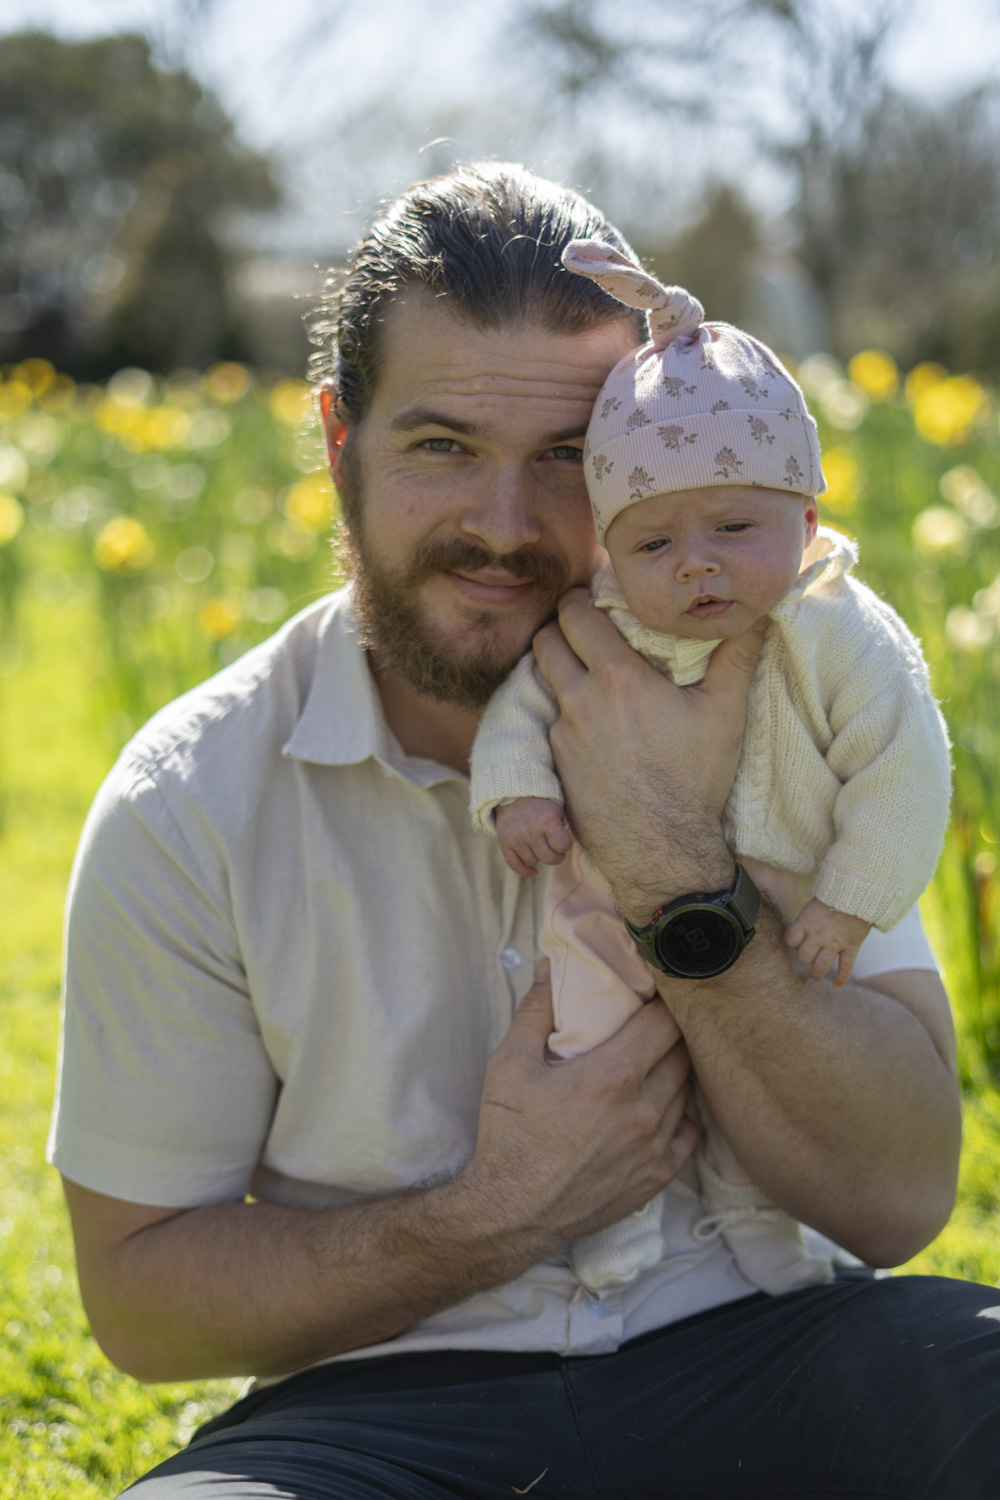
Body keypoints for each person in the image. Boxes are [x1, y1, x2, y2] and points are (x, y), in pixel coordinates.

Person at [47, 163, 999, 1499]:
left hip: (780, 1352)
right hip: (385, 1418)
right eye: (443, 447)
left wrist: (677, 866)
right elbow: (141, 1304)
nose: (504, 527)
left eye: (564, 459)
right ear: (338, 440)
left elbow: (900, 1196)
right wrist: (487, 1219)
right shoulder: (189, 799)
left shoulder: (792, 702)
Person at [468, 239, 952, 1298]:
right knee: (593, 1047)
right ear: (605, 551)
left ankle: (768, 1240)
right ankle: (612, 1228)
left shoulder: (840, 632)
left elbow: (904, 770)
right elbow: (525, 711)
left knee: (764, 1079)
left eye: (735, 527)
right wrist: (518, 794)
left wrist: (851, 900)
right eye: (653, 545)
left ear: (808, 519)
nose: (696, 565)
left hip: (785, 898)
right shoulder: (601, 625)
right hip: (601, 902)